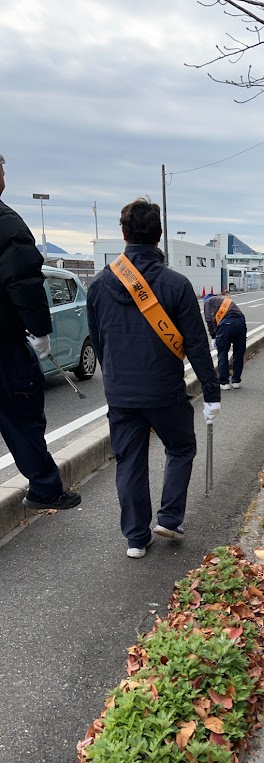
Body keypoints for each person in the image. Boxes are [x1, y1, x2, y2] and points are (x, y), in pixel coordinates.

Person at [87, 197, 220, 559]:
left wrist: (115, 378)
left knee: (129, 461)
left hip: (121, 394)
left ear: (123, 234)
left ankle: (135, 538)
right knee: (181, 447)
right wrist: (212, 393)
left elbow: (98, 342)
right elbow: (196, 343)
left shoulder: (99, 285)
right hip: (164, 391)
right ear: (159, 234)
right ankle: (170, 519)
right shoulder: (176, 284)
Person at [0, 153, 81, 511]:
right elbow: (23, 280)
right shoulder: (6, 223)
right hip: (4, 344)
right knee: (23, 413)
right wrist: (39, 330)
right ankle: (45, 488)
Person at [203, 291, 247, 390]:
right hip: (241, 324)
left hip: (226, 326)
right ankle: (236, 381)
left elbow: (209, 320)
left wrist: (213, 336)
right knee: (239, 353)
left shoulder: (207, 302)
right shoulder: (225, 300)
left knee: (222, 353)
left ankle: (224, 382)